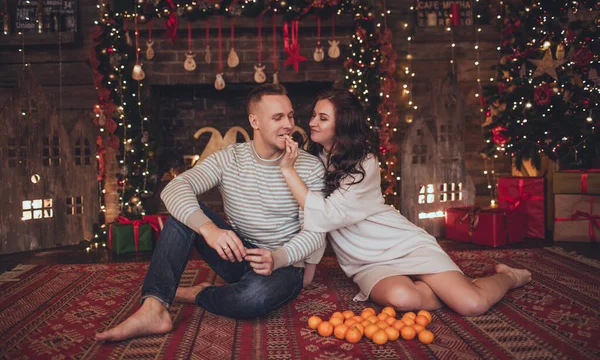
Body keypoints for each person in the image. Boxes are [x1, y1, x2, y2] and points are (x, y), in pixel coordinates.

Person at [95, 84, 326, 342]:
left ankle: (200, 294)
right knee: (182, 214)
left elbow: (316, 233)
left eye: (291, 116)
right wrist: (210, 230)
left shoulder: (309, 166)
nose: (288, 125)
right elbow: (175, 189)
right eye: (278, 117)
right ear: (254, 121)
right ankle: (154, 308)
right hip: (239, 253)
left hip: (283, 264)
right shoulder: (229, 158)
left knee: (252, 299)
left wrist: (277, 257)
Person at [279, 89, 532, 316]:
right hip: (364, 260)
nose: (311, 122)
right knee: (402, 298)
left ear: (343, 124)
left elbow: (324, 216)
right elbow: (308, 219)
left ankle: (506, 276)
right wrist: (308, 269)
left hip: (400, 242)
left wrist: (288, 171)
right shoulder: (311, 161)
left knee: (472, 305)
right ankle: (453, 288)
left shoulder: (364, 163)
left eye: (322, 118)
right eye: (313, 115)